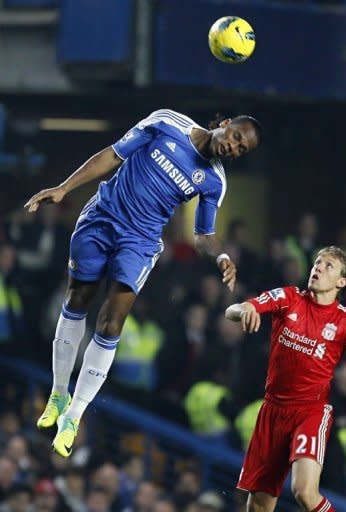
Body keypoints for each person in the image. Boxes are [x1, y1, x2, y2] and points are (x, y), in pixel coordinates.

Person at [24, 108, 261, 458]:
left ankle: (74, 416)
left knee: (112, 321)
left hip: (140, 241)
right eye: (237, 138)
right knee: (77, 301)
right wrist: (64, 188)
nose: (233, 148)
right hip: (102, 216)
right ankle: (59, 393)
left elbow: (204, 234)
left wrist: (222, 256)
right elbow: (113, 153)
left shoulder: (214, 181)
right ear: (225, 125)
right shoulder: (167, 122)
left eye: (242, 150)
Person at [225, 245, 346, 512]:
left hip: (310, 411)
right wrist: (246, 309)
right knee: (259, 503)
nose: (318, 267)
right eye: (318, 262)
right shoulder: (289, 297)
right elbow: (233, 310)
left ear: (342, 282)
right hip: (272, 409)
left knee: (303, 491)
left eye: (328, 266)